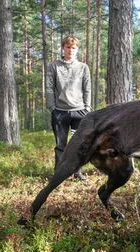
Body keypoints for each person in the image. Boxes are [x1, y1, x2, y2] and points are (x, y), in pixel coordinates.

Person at [45, 35, 91, 181]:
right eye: (68, 47)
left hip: (79, 112)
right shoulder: (54, 66)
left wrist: (87, 108)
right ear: (63, 48)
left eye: (74, 48)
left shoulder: (83, 67)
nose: (71, 50)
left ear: (77, 49)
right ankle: (59, 173)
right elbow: (49, 88)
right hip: (60, 112)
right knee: (61, 145)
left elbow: (87, 88)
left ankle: (77, 172)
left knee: (79, 144)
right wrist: (53, 107)